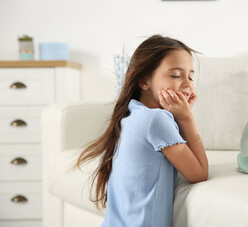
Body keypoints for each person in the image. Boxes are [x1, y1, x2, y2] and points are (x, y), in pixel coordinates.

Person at [75, 35, 209, 227]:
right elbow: (199, 174)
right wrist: (186, 118)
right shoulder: (157, 119)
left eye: (190, 76)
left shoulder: (132, 114)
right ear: (144, 81)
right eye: (176, 75)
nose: (187, 83)